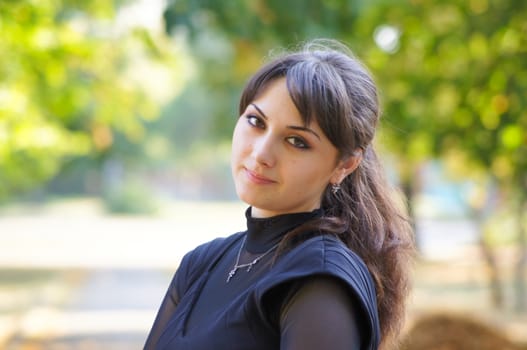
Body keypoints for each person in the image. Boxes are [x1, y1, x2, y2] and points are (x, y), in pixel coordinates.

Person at [144, 39, 414, 350]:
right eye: (256, 122)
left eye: (296, 141)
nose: (261, 154)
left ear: (345, 165)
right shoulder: (201, 263)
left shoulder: (320, 280)